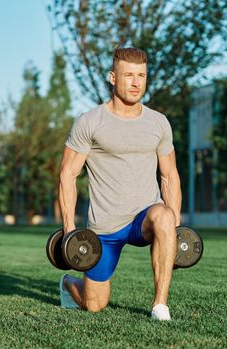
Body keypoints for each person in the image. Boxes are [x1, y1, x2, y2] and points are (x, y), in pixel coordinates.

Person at [58, 47, 181, 321]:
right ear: (113, 77)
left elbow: (169, 176)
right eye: (129, 75)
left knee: (164, 216)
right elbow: (68, 174)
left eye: (142, 76)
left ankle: (160, 305)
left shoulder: (159, 123)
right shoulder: (90, 122)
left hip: (144, 216)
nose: (136, 82)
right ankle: (69, 284)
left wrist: (175, 225)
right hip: (105, 226)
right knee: (94, 305)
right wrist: (69, 230)